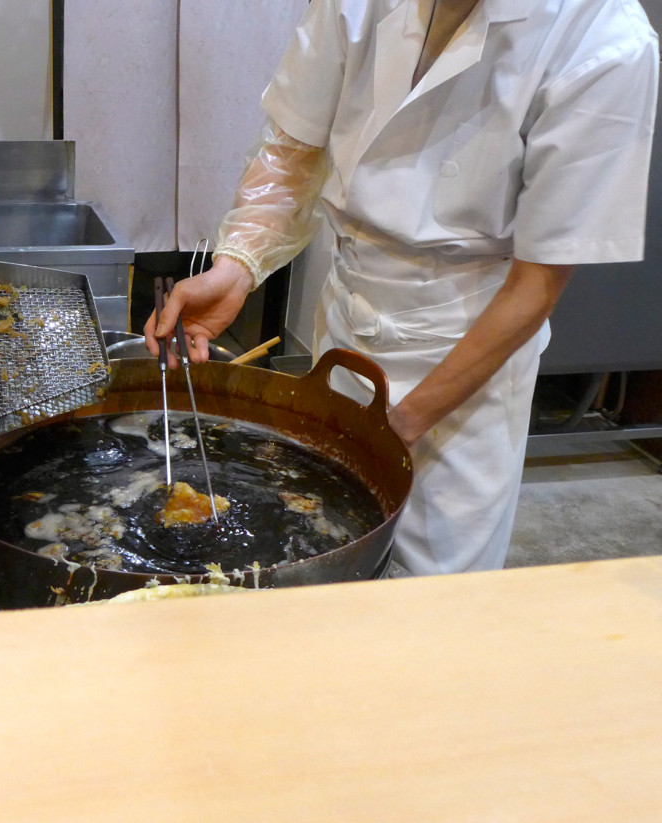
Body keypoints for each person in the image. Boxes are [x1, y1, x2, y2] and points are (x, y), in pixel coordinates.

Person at [147, 0, 659, 575]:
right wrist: (238, 265)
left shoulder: (602, 38)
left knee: (428, 595)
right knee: (320, 549)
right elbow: (293, 153)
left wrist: (401, 425)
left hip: (467, 352)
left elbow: (536, 285)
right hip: (347, 316)